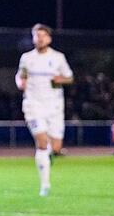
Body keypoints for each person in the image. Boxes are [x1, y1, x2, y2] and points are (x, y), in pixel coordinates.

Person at [15, 23, 73, 197]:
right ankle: (45, 185)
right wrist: (20, 82)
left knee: (55, 147)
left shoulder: (58, 57)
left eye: (42, 35)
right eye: (36, 35)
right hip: (33, 105)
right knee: (41, 143)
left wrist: (60, 79)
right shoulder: (27, 58)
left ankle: (50, 155)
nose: (39, 38)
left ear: (49, 38)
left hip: (54, 106)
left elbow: (69, 78)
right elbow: (21, 75)